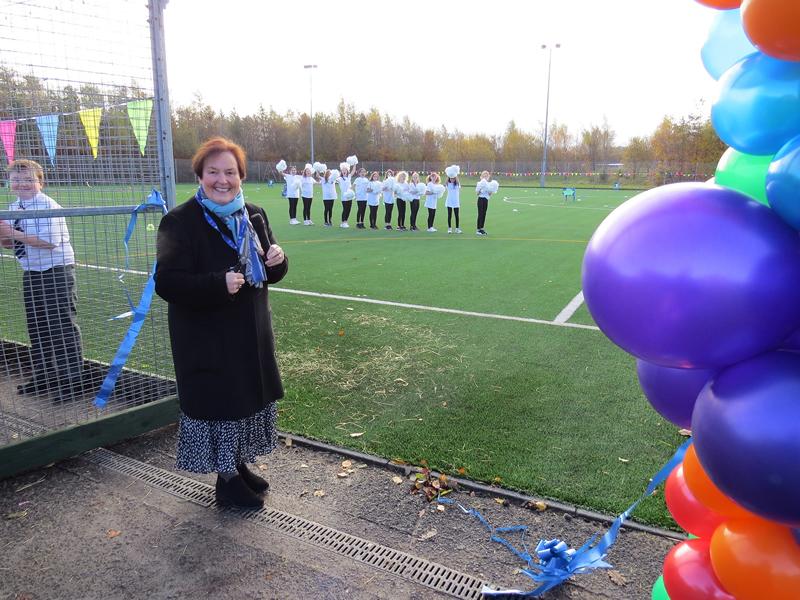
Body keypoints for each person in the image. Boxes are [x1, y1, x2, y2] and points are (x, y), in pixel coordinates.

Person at [155, 137, 288, 509]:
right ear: (199, 175)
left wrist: (278, 260)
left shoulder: (254, 214)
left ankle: (237, 465)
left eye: (230, 172)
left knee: (244, 402)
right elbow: (166, 282)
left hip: (250, 333)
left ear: (241, 176)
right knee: (221, 405)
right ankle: (226, 482)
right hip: (206, 337)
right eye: (213, 172)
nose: (222, 180)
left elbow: (269, 272)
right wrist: (218, 283)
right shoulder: (179, 221)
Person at [1, 160, 83, 401]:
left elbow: (50, 241)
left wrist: (11, 233)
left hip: (56, 271)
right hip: (32, 271)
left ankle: (72, 381)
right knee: (37, 325)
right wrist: (3, 235)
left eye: (28, 179)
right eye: (16, 180)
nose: (22, 184)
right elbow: (10, 243)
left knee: (61, 325)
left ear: (40, 182)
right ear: (10, 184)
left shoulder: (48, 205)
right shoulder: (14, 207)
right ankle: (44, 376)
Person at [476, 170, 497, 235]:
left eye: (486, 176)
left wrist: (490, 191)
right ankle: (478, 230)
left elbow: (490, 194)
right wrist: (481, 190)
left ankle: (482, 228)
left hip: (486, 200)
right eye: (484, 175)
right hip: (480, 199)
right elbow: (477, 193)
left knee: (484, 214)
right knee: (480, 214)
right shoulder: (480, 183)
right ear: (482, 176)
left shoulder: (489, 184)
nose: (485, 177)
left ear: (488, 177)